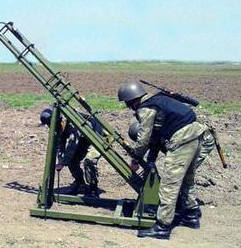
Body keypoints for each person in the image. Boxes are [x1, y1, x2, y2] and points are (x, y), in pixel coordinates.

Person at [118, 82, 214, 239]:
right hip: (196, 136)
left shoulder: (146, 108)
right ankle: (191, 215)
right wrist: (150, 161)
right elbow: (154, 142)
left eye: (128, 105)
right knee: (187, 180)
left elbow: (144, 139)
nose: (130, 108)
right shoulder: (160, 99)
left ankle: (162, 227)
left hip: (182, 141)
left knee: (169, 185)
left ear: (132, 101)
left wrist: (135, 157)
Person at [39, 108, 102, 196]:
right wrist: (60, 160)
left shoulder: (72, 122)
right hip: (84, 140)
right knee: (72, 162)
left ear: (59, 121)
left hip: (98, 138)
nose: (51, 127)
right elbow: (60, 145)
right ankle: (80, 185)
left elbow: (72, 145)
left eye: (51, 124)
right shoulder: (59, 127)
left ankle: (93, 189)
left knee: (89, 161)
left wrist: (64, 162)